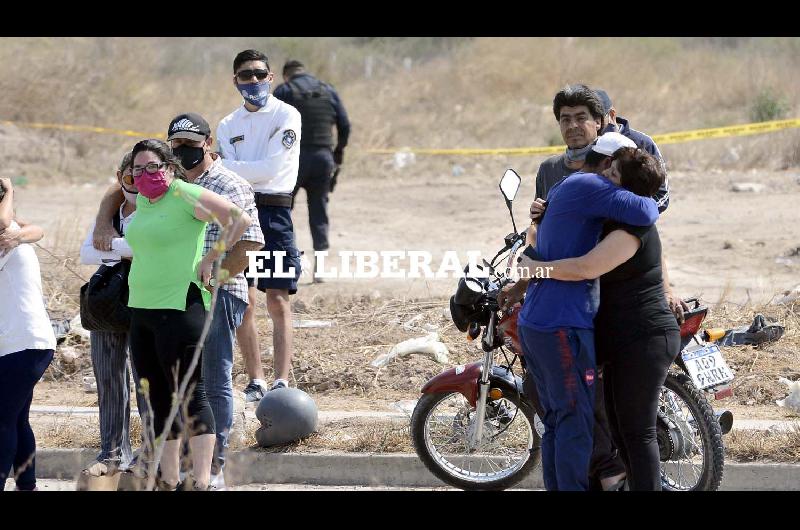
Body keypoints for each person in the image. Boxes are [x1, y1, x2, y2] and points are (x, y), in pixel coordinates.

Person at [501, 125, 660, 490]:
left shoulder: (563, 187)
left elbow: (538, 237)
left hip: (539, 321)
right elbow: (647, 209)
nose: (614, 178)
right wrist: (648, 186)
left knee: (558, 421)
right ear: (607, 163)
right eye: (617, 169)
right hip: (563, 324)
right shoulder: (594, 187)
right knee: (575, 423)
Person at [124, 139, 252, 490]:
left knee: (192, 397)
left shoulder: (183, 193)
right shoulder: (144, 203)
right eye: (138, 169)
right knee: (159, 399)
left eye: (153, 166)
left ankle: (200, 480)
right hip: (142, 309)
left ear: (169, 166)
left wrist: (211, 257)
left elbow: (239, 219)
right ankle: (169, 478)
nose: (146, 174)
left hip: (181, 307)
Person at [166, 112, 264, 490]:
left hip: (218, 293)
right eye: (176, 146)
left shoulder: (228, 184)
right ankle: (190, 461)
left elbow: (252, 241)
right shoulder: (174, 184)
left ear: (208, 143)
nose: (184, 151)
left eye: (191, 144)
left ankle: (215, 464)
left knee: (213, 379)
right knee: (184, 380)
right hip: (178, 294)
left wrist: (217, 278)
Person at [216, 49, 302, 403]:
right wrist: (236, 167)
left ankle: (282, 380)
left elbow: (270, 170)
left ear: (270, 77)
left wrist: (230, 166)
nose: (253, 81)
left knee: (277, 299)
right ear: (235, 80)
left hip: (273, 215)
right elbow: (234, 171)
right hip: (239, 215)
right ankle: (256, 379)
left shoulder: (286, 114)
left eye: (259, 74)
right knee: (245, 300)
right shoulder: (227, 125)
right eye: (245, 75)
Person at [78, 150, 147, 477]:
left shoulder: (154, 210)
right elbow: (86, 252)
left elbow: (143, 250)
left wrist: (113, 243)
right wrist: (118, 243)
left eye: (142, 177)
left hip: (146, 300)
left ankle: (150, 451)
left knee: (145, 380)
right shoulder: (111, 212)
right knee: (109, 378)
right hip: (108, 304)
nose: (135, 185)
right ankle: (113, 452)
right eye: (129, 178)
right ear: (120, 178)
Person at [0, 177, 56, 492]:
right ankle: (28, 485)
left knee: (2, 419)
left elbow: (8, 221)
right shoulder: (15, 235)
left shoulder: (8, 236)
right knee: (16, 418)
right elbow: (32, 228)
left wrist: (9, 190)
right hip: (21, 344)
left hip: (24, 344)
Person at [274, 59, 351, 279]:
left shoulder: (284, 90)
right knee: (319, 211)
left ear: (286, 75)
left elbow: (271, 124)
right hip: (323, 157)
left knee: (282, 210)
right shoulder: (327, 90)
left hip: (293, 160)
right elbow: (344, 125)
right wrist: (337, 152)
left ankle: (288, 263)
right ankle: (320, 268)